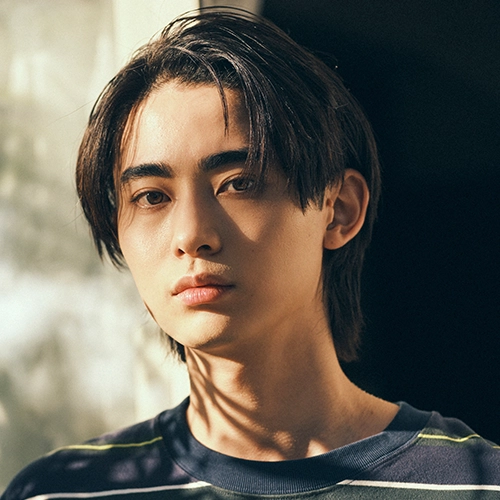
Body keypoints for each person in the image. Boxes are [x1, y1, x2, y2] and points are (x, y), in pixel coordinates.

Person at [2, 8, 499, 500]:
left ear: (339, 210)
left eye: (238, 183)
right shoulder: (60, 493)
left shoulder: (471, 484)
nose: (191, 235)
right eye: (151, 196)